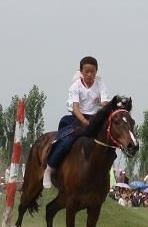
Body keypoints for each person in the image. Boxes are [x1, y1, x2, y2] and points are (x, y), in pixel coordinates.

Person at [43, 56, 109, 189]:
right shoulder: (75, 86)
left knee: (108, 144)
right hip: (78, 119)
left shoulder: (101, 85)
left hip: (96, 120)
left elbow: (105, 104)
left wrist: (99, 119)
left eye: (92, 72)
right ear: (81, 72)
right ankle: (49, 170)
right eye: (87, 72)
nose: (90, 75)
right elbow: (75, 108)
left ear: (96, 72)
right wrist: (85, 122)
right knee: (66, 141)